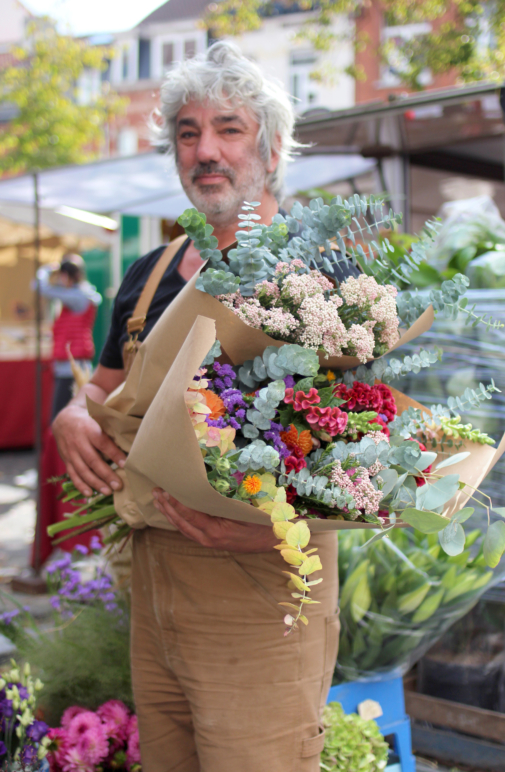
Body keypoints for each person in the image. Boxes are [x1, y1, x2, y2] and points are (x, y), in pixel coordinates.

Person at [51, 42, 339, 771]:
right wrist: (73, 416)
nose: (205, 149)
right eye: (187, 131)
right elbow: (101, 388)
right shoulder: (148, 274)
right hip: (152, 587)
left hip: (262, 590)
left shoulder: (321, 278)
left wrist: (286, 526)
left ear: (271, 149)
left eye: (229, 128)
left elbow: (376, 444)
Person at [32, 254, 102, 416]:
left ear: (67, 276)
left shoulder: (77, 297)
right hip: (70, 364)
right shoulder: (79, 295)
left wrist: (47, 270)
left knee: (60, 416)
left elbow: (39, 287)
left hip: (70, 368)